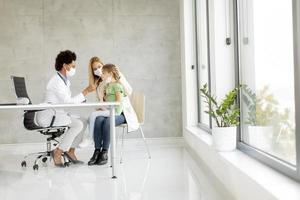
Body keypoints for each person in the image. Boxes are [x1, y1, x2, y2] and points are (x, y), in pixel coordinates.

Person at [36, 50, 95, 167]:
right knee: (78, 124)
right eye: (73, 66)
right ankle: (58, 152)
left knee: (83, 120)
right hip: (49, 116)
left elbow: (66, 100)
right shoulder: (56, 81)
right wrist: (86, 91)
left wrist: (82, 97)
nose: (74, 68)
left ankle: (70, 151)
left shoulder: (64, 81)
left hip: (57, 113)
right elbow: (68, 101)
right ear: (64, 65)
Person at [87, 63, 139, 166]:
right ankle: (97, 151)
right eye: (95, 69)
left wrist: (118, 79)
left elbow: (126, 93)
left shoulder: (118, 82)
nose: (99, 72)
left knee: (107, 122)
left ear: (109, 72)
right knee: (98, 120)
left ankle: (104, 153)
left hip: (121, 113)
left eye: (101, 69)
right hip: (109, 110)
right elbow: (102, 101)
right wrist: (101, 104)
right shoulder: (104, 85)